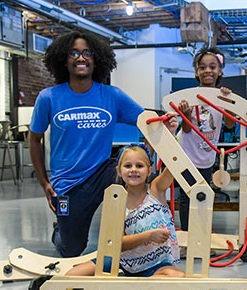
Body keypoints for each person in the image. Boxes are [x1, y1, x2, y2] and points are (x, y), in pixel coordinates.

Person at [29, 30, 146, 258]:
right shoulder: (49, 97)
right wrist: (44, 182)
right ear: (64, 59)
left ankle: (129, 237)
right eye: (74, 53)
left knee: (129, 172)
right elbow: (34, 139)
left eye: (87, 53)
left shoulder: (112, 95)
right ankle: (61, 231)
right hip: (67, 185)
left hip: (102, 172)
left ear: (96, 59)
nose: (81, 58)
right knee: (71, 250)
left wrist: (172, 117)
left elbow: (146, 121)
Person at [66, 141, 185, 277]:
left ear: (149, 170)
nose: (133, 169)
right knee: (71, 276)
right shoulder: (116, 202)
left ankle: (138, 287)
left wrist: (168, 134)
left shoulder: (156, 190)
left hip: (156, 265)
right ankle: (139, 288)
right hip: (121, 261)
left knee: (177, 277)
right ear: (119, 171)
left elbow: (174, 164)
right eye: (128, 166)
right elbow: (116, 243)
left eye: (139, 166)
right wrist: (148, 236)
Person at [176, 46, 236, 231]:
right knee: (187, 196)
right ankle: (188, 237)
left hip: (206, 156)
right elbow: (186, 129)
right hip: (186, 153)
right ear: (196, 71)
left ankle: (200, 235)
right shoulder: (190, 97)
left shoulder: (222, 96)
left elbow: (230, 125)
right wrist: (185, 114)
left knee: (203, 195)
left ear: (219, 71)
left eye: (212, 66)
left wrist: (228, 103)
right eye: (202, 67)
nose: (208, 70)